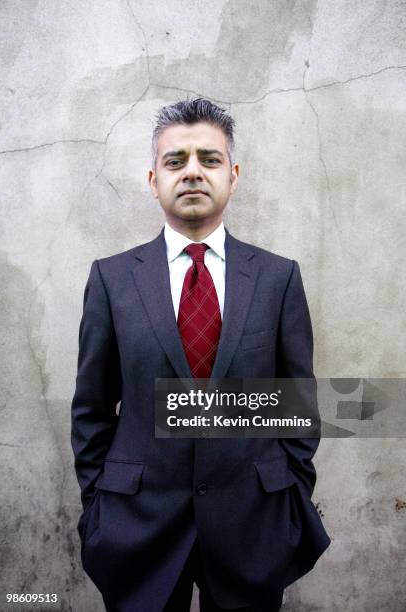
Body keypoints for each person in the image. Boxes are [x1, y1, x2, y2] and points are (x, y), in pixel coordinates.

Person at [71, 98, 330, 612]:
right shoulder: (112, 279)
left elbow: (296, 403)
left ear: (233, 176)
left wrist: (291, 499)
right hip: (136, 527)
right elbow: (92, 409)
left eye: (209, 160)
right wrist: (97, 507)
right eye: (176, 161)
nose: (192, 171)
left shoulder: (278, 279)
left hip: (253, 525)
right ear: (153, 179)